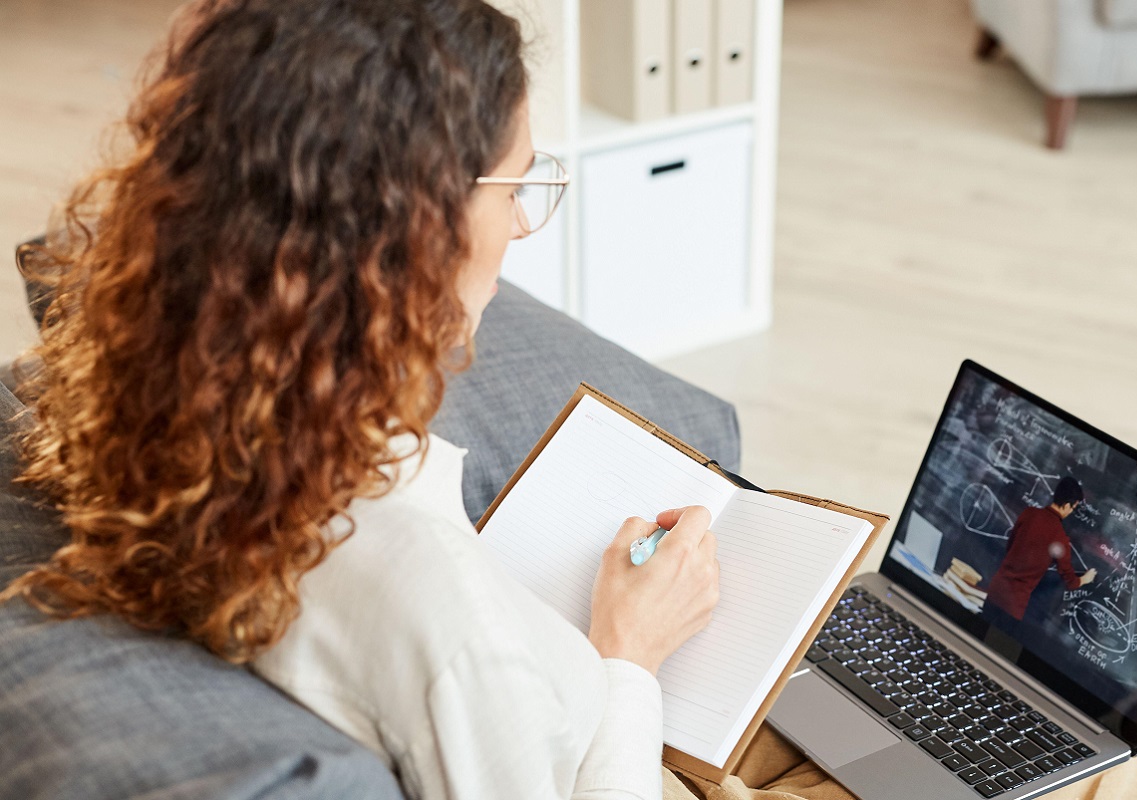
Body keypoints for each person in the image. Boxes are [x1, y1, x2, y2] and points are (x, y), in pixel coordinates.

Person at [0, 2, 718, 798]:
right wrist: (630, 650)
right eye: (512, 185)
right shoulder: (447, 622)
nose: (518, 224)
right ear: (417, 234)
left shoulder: (150, 410)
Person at [983, 477, 1097, 624]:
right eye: (1073, 508)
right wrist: (1085, 579)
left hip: (995, 590)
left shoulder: (1029, 513)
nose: (1071, 512)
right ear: (1068, 505)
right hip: (1014, 605)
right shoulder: (1060, 538)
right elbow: (1070, 582)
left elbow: (1010, 545)